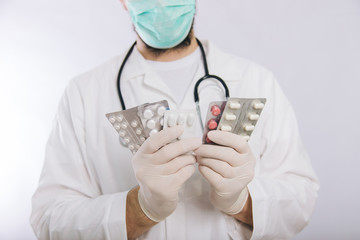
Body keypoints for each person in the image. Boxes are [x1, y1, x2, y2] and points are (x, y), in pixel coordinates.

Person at [30, 0, 319, 239]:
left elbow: (301, 198)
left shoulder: (257, 81)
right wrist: (140, 208)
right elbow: (49, 218)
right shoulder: (84, 93)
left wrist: (241, 200)